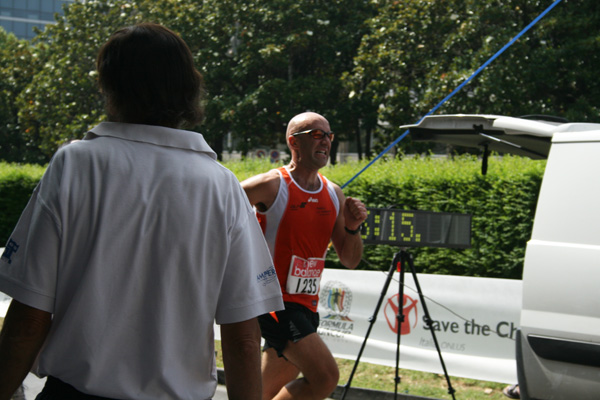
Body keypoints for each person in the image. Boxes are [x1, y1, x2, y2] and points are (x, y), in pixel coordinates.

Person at [0, 23, 283, 400]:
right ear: (187, 88)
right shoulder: (221, 185)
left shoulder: (76, 165)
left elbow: (29, 319)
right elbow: (244, 338)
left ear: (111, 85)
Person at [241, 112, 368, 399]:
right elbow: (216, 207)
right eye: (316, 134)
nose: (325, 140)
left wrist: (352, 228)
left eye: (329, 135)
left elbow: (350, 259)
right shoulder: (271, 185)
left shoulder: (334, 193)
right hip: (273, 302)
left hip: (307, 306)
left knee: (258, 393)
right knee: (324, 377)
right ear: (293, 142)